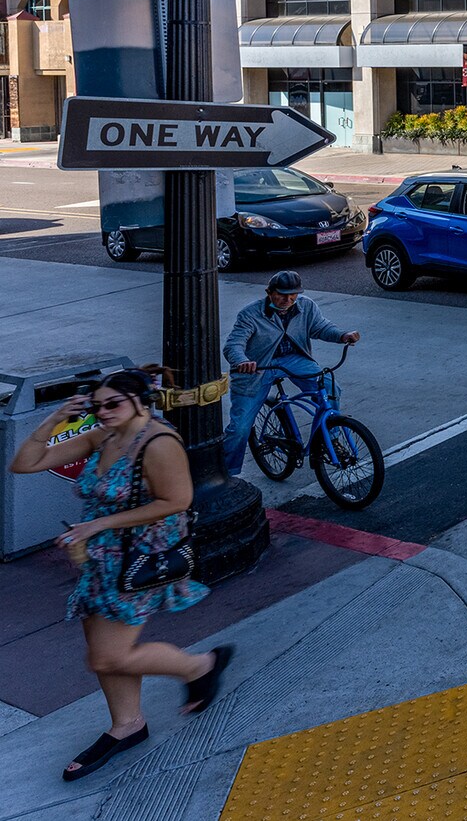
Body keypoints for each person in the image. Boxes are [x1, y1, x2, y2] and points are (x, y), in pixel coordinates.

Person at [8, 370, 230, 781]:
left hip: (138, 558)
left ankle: (199, 666)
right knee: (104, 649)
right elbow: (24, 463)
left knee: (106, 656)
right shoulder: (103, 436)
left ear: (141, 400)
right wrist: (54, 419)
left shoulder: (159, 443)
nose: (104, 412)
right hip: (98, 559)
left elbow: (177, 500)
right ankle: (127, 724)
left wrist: (99, 525)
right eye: (97, 406)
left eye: (113, 403)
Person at [221, 271, 359, 478]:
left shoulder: (306, 306)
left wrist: (342, 335)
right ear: (269, 292)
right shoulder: (250, 314)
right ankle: (227, 476)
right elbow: (234, 344)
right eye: (282, 294)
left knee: (329, 387)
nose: (288, 299)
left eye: (293, 294)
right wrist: (242, 361)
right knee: (240, 428)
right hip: (259, 366)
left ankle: (329, 439)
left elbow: (321, 327)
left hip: (294, 359)